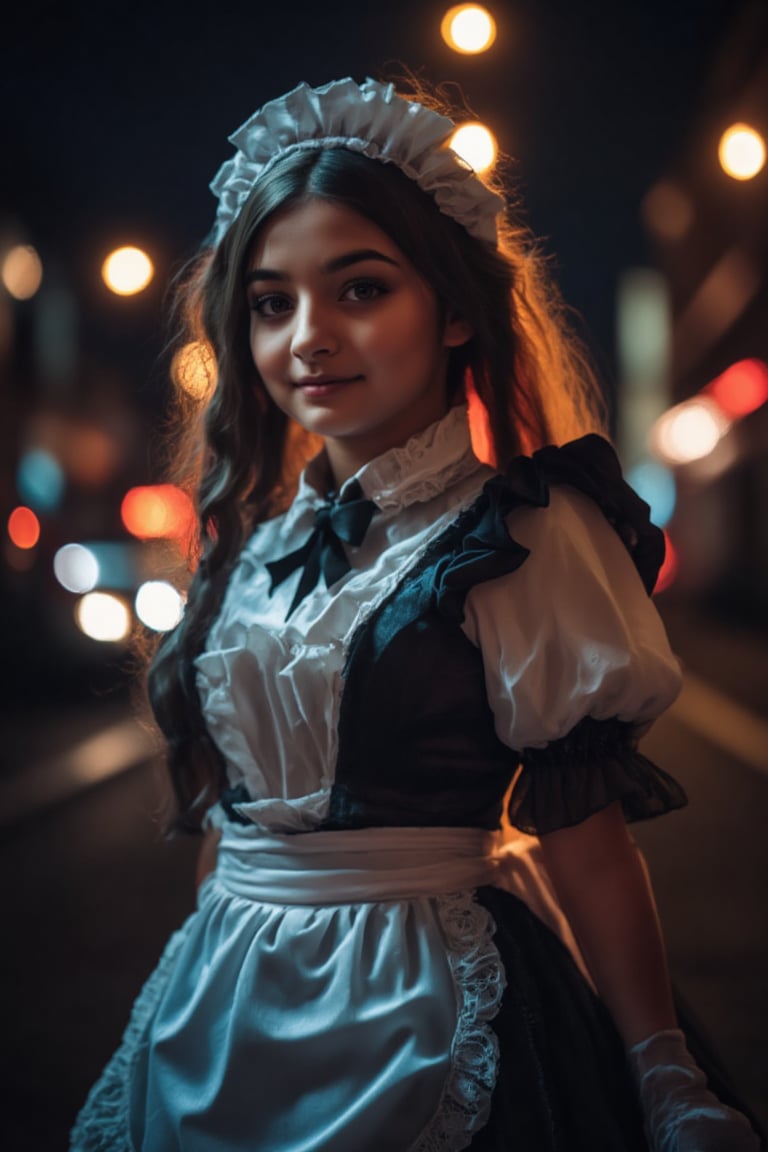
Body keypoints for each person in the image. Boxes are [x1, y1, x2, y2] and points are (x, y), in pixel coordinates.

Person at [70, 76, 763, 1152]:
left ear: (450, 311)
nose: (308, 336)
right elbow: (231, 826)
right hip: (220, 1013)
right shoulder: (253, 548)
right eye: (271, 301)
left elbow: (583, 833)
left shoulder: (519, 530)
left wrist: (662, 1069)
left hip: (431, 998)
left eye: (359, 289)